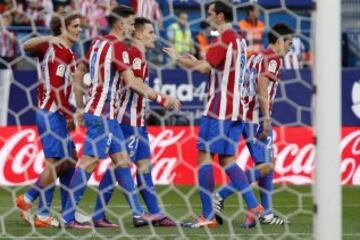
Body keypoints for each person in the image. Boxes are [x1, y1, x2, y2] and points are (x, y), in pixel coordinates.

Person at [63, 5, 180, 228]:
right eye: (130, 22)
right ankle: (68, 217)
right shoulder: (119, 47)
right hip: (104, 113)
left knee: (122, 161)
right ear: (121, 24)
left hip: (103, 112)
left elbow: (79, 72)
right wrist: (163, 99)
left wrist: (79, 107)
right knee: (89, 162)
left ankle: (138, 213)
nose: (131, 26)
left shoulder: (97, 42)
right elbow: (132, 82)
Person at [164, 1, 263, 228]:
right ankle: (253, 205)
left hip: (219, 107)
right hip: (238, 108)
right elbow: (215, 66)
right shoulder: (238, 39)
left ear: (219, 15)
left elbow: (204, 69)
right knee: (227, 160)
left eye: (210, 13)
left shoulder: (222, 38)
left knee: (204, 157)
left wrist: (178, 57)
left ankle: (207, 215)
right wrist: (196, 59)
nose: (207, 16)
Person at [92, 17, 178, 227]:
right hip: (127, 120)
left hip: (138, 121)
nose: (154, 37)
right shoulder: (134, 55)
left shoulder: (139, 56)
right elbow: (134, 84)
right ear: (138, 34)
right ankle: (99, 214)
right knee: (119, 167)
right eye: (150, 32)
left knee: (144, 166)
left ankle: (155, 213)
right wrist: (162, 98)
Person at [214, 23, 294, 226]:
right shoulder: (274, 59)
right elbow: (262, 85)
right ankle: (221, 195)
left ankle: (266, 213)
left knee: (264, 166)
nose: (290, 47)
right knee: (267, 166)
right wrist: (266, 118)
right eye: (289, 43)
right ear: (279, 41)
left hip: (244, 115)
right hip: (257, 118)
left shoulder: (256, 56)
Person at [15, 13, 82, 228]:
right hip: (52, 113)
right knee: (57, 162)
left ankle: (67, 213)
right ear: (64, 28)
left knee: (70, 159)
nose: (80, 29)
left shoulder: (66, 52)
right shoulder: (56, 51)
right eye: (76, 26)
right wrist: (68, 113)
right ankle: (29, 201)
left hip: (55, 112)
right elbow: (54, 88)